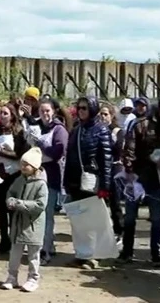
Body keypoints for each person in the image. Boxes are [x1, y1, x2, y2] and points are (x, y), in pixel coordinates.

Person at [120, 95, 160, 267]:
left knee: (157, 218)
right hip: (137, 177)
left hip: (159, 179)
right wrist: (130, 172)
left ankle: (155, 254)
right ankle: (126, 252)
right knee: (130, 216)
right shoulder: (141, 124)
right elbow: (129, 149)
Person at [64, 96, 113, 269]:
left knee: (93, 221)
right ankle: (81, 254)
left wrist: (105, 187)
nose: (81, 111)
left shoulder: (101, 130)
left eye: (85, 108)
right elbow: (69, 157)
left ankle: (94, 256)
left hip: (92, 182)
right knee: (79, 222)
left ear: (92, 109)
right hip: (75, 181)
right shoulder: (76, 130)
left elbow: (106, 160)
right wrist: (66, 182)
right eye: (80, 108)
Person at [1, 147, 48, 292]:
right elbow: (10, 192)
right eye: (21, 164)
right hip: (18, 224)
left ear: (34, 166)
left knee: (33, 254)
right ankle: (12, 277)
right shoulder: (18, 180)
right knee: (15, 253)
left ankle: (33, 279)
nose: (22, 167)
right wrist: (9, 201)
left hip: (33, 225)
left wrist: (20, 204)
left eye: (26, 164)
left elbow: (41, 205)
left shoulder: (41, 184)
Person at [33, 97, 68, 265]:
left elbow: (57, 152)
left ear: (53, 111)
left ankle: (45, 251)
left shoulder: (59, 130)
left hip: (52, 176)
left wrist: (40, 145)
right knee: (39, 214)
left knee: (47, 216)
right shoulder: (38, 127)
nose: (45, 114)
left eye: (47, 110)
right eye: (42, 111)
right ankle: (48, 245)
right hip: (37, 175)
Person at [0, 103, 29, 254]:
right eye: (0, 113)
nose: (2, 116)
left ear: (12, 115)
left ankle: (15, 240)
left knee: (13, 209)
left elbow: (20, 155)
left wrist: (3, 153)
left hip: (13, 174)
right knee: (1, 210)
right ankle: (3, 240)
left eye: (5, 113)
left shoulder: (18, 132)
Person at [98, 103, 124, 242]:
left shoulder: (117, 131)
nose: (103, 117)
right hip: (101, 170)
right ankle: (103, 230)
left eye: (106, 114)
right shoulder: (96, 130)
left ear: (112, 115)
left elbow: (118, 150)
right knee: (101, 201)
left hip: (114, 169)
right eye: (101, 114)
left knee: (115, 202)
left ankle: (119, 230)